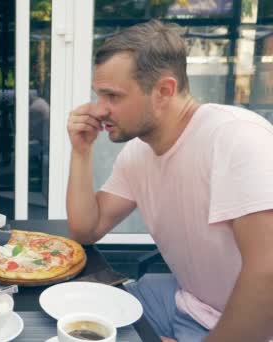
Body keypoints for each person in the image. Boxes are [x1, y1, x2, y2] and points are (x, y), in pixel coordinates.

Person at [66, 20, 273, 342]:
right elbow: (86, 229)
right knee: (73, 313)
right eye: (98, 95)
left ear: (164, 90)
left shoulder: (237, 137)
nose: (98, 109)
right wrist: (81, 152)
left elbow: (268, 274)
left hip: (241, 324)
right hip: (184, 298)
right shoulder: (139, 153)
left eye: (112, 96)